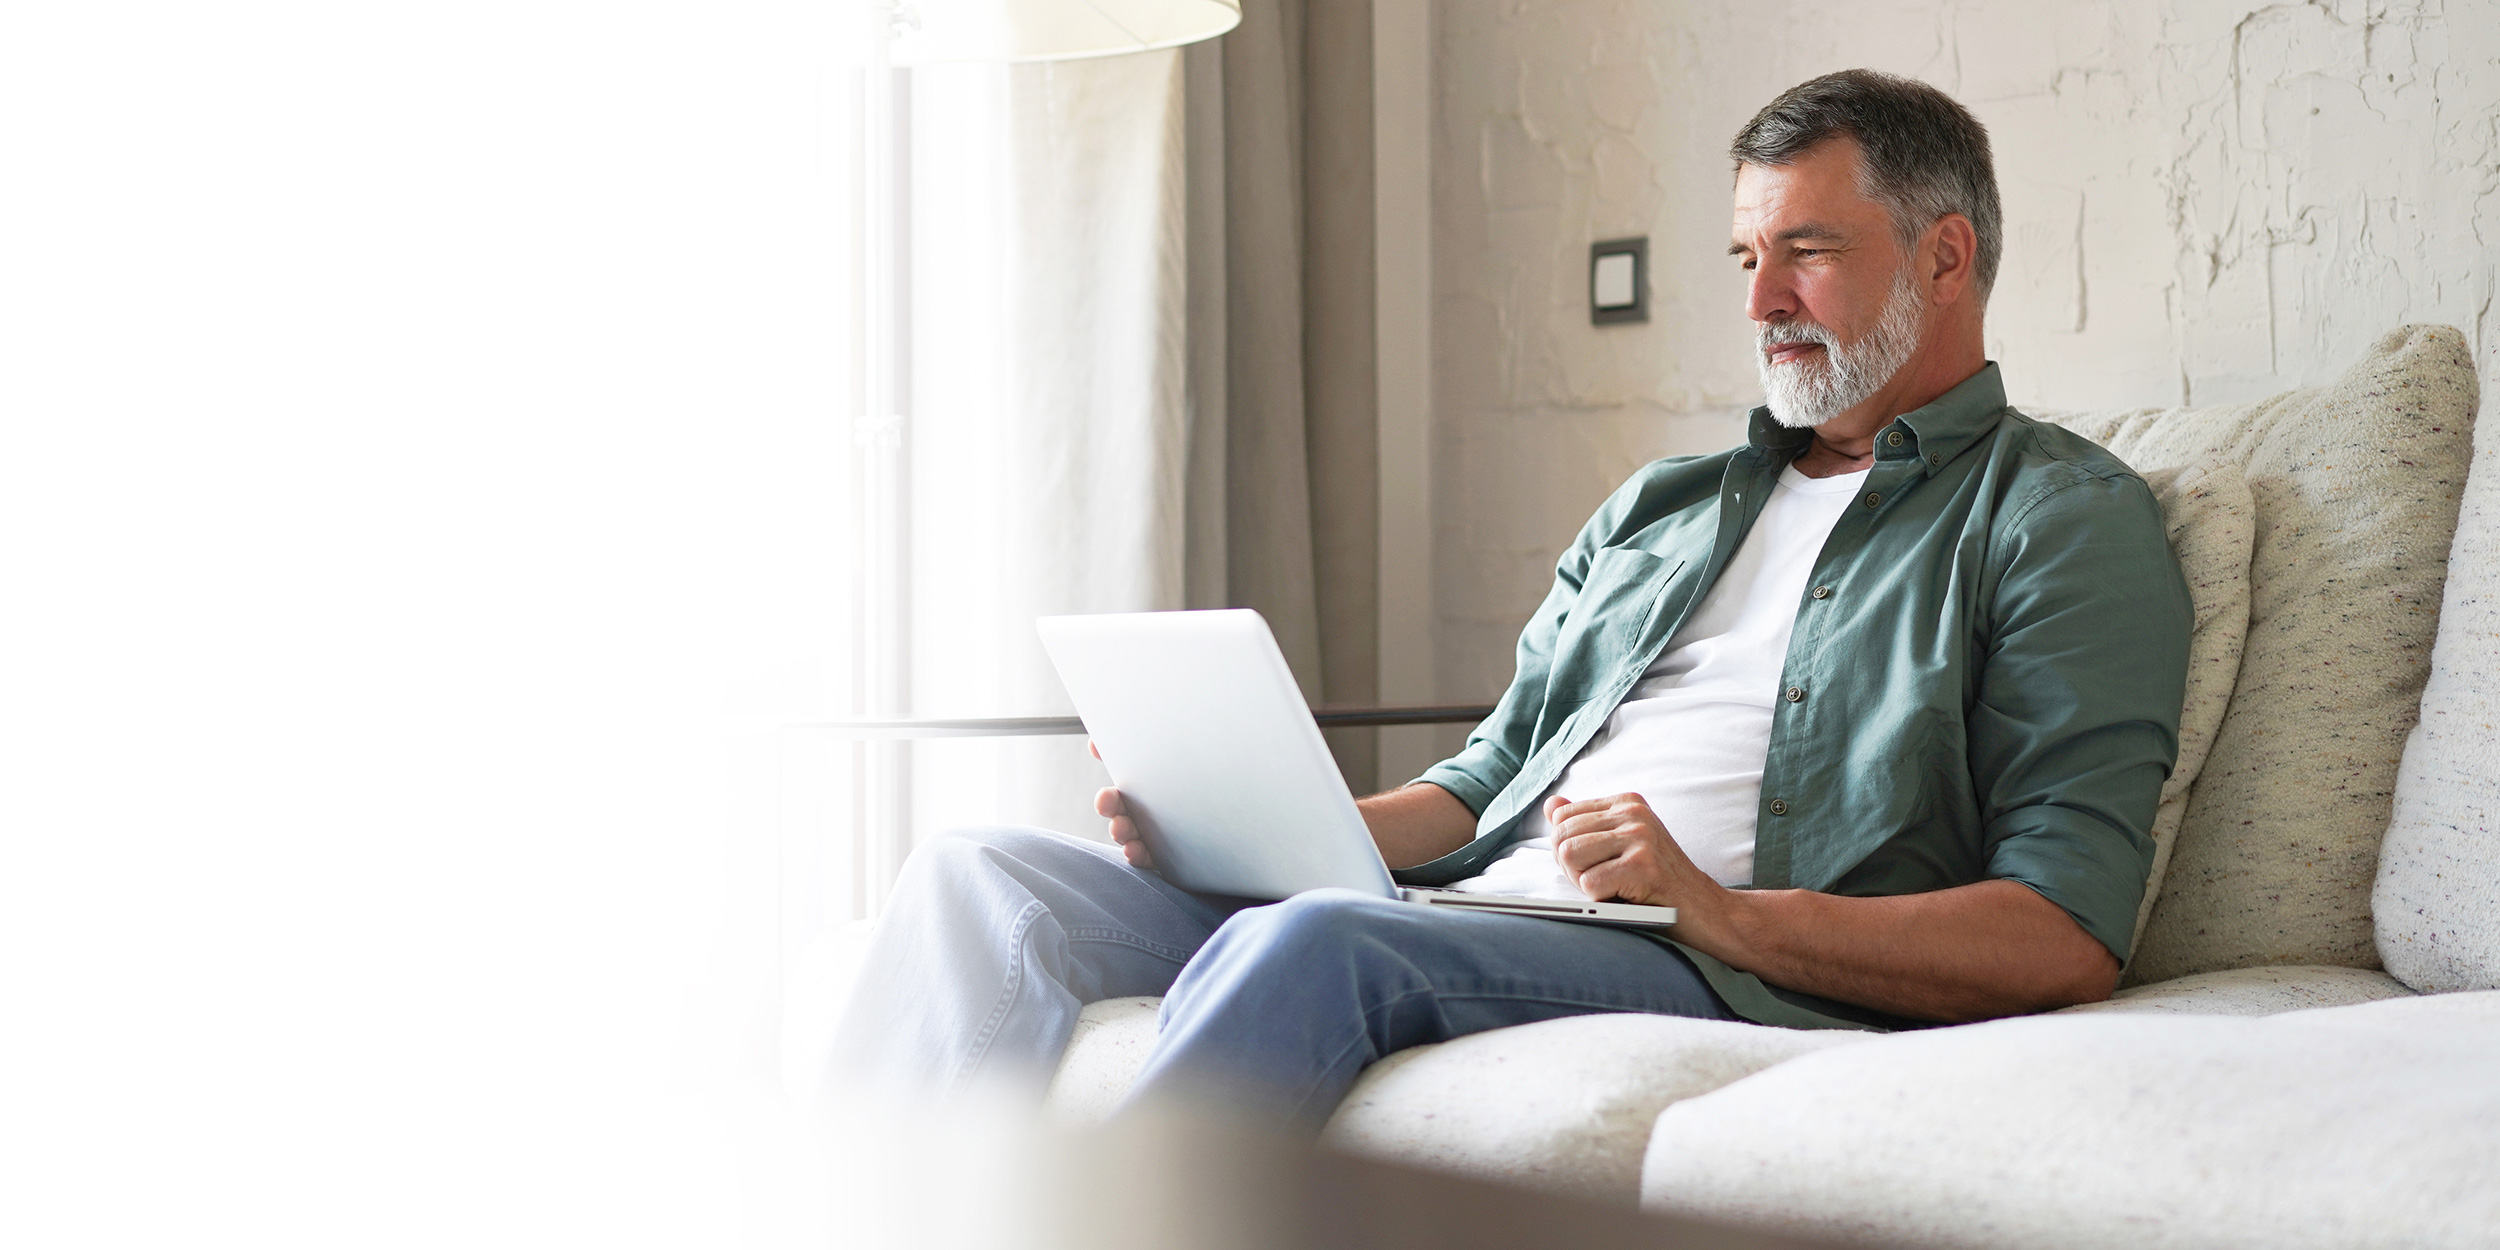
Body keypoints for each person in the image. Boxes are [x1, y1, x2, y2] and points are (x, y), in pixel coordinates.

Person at [828, 69, 2191, 1127]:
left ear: (1945, 258)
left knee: (1321, 943)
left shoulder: (2054, 517)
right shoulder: (1668, 506)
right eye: (1743, 258)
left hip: (1719, 965)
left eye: (1808, 251)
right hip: (1484, 902)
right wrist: (1249, 828)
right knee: (980, 880)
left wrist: (1716, 910)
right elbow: (1487, 781)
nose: (1763, 297)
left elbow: (2063, 935)